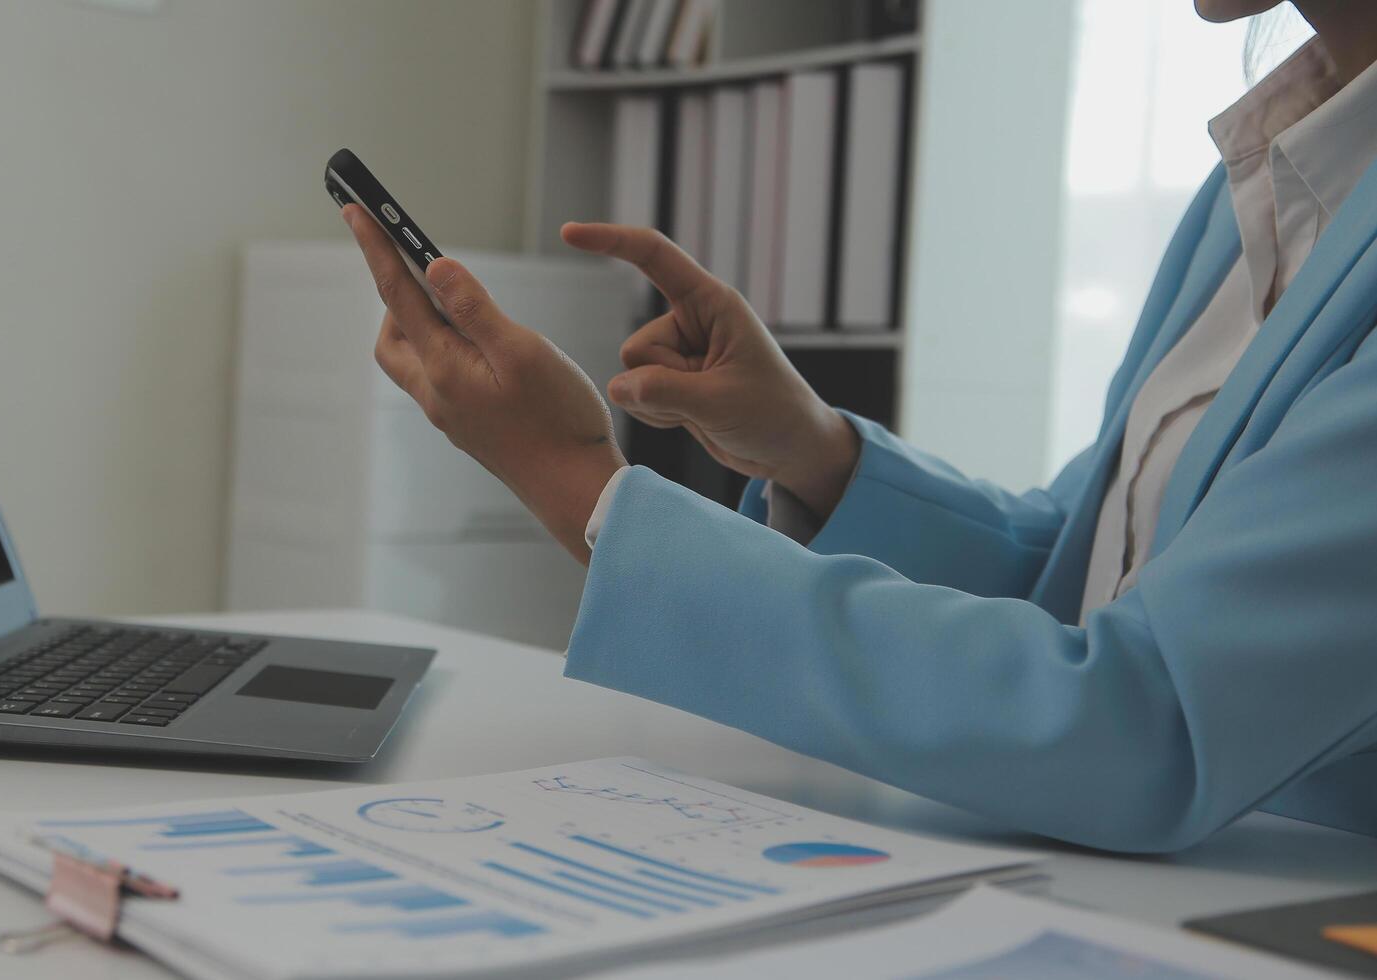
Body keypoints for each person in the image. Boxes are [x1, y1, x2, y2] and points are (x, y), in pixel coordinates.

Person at [339, 0, 1377, 854]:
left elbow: (1148, 719)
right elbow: (1080, 567)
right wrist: (816, 453)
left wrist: (582, 487)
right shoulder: (1261, 175)